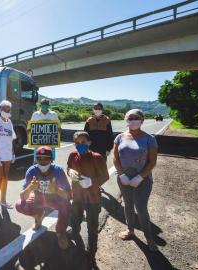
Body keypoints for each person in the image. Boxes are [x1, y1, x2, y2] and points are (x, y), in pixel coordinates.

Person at [113, 109, 159, 251]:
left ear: (142, 120)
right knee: (127, 205)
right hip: (124, 178)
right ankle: (130, 230)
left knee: (141, 207)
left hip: (143, 180)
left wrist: (140, 177)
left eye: (136, 118)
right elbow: (115, 157)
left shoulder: (149, 139)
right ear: (126, 120)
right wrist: (121, 175)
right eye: (130, 118)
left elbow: (152, 162)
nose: (133, 120)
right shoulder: (120, 137)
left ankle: (149, 238)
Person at [15, 146, 71, 249]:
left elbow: (69, 195)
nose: (42, 161)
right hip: (39, 198)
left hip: (54, 199)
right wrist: (30, 188)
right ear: (36, 159)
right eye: (39, 158)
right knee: (19, 205)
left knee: (66, 205)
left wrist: (57, 190)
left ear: (51, 159)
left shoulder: (58, 171)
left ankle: (61, 232)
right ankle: (38, 214)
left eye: (46, 158)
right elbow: (23, 196)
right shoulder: (31, 171)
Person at [67, 131, 109, 263]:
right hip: (77, 196)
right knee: (75, 218)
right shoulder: (73, 155)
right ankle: (74, 232)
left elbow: (105, 176)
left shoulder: (97, 157)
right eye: (77, 143)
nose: (80, 145)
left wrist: (92, 182)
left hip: (93, 198)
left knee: (92, 225)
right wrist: (70, 171)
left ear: (89, 143)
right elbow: (68, 167)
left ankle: (92, 250)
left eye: (83, 142)